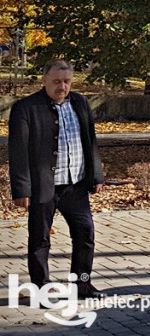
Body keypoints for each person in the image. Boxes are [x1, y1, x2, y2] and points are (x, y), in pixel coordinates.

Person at [7, 59, 105, 298]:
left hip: (76, 185)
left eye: (67, 81)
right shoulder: (26, 108)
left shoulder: (80, 103)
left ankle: (82, 284)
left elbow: (90, 141)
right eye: (57, 81)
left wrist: (97, 175)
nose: (62, 86)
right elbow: (17, 151)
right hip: (43, 186)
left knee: (85, 234)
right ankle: (41, 289)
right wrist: (22, 189)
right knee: (40, 240)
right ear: (44, 80)